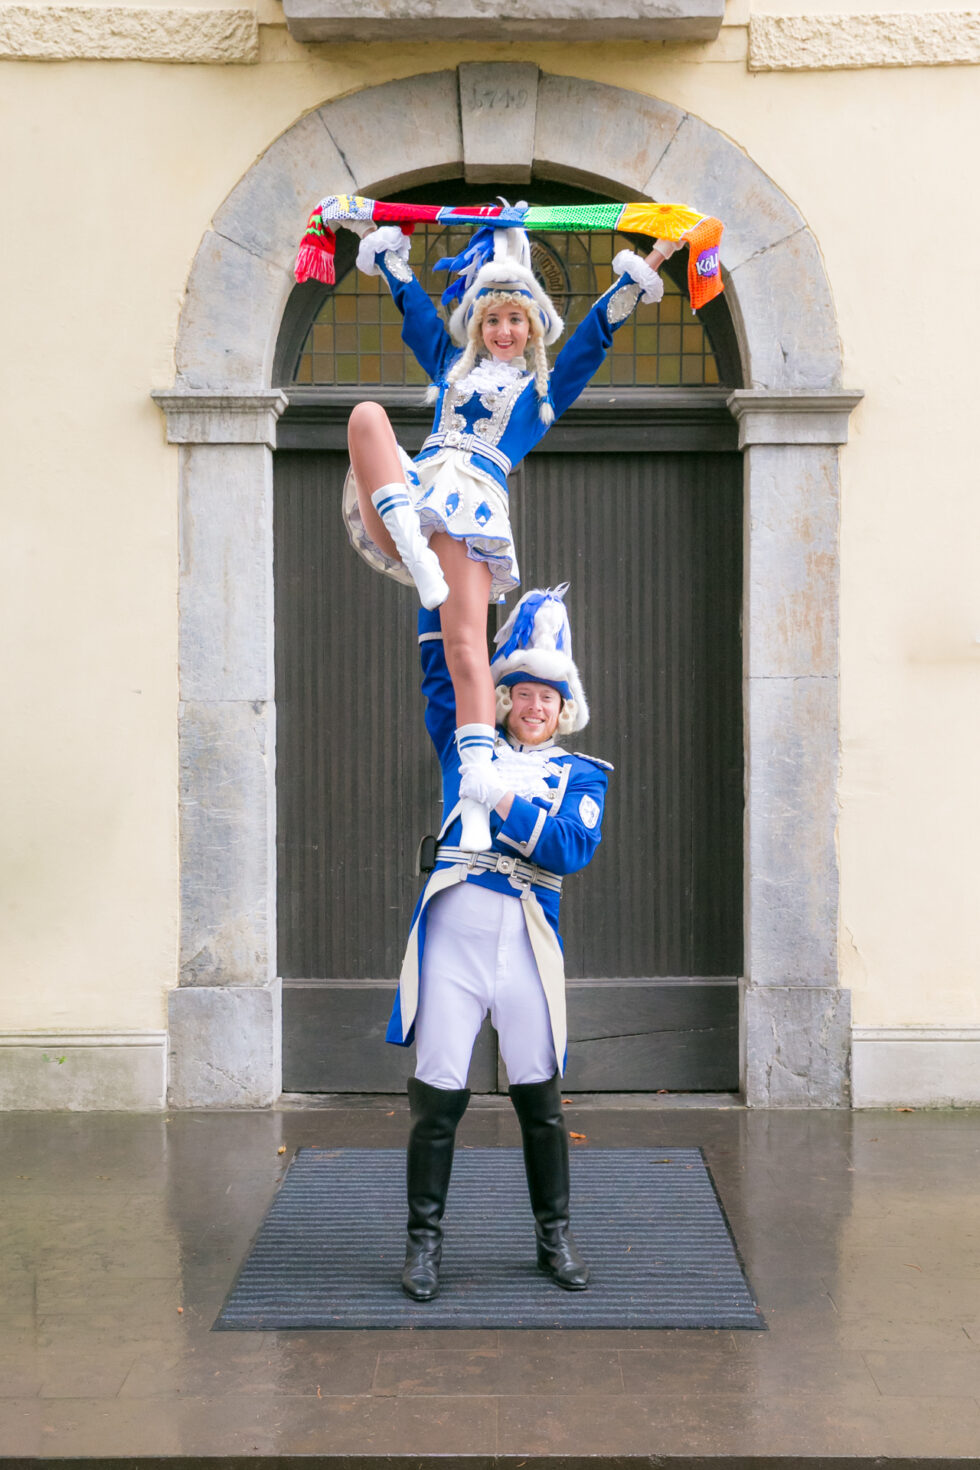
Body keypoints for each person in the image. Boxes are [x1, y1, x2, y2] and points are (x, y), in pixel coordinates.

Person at [344, 215, 670, 850]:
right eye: (491, 319)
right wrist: (383, 250)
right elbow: (413, 312)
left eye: (515, 320)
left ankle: (470, 802)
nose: (502, 331)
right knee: (365, 418)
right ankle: (413, 545)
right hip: (414, 503)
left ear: (532, 330)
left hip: (470, 515)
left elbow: (593, 339)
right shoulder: (449, 369)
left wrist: (649, 263)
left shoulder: (537, 394)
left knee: (463, 653)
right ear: (477, 325)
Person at [387, 584, 612, 1302]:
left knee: (539, 1098)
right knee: (437, 1096)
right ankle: (424, 1245)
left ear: (563, 707)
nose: (535, 706)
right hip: (454, 935)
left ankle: (555, 1236)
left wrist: (501, 798)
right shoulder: (468, 745)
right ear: (507, 696)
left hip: (524, 941)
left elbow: (570, 849)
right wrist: (436, 589)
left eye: (550, 696)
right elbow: (444, 666)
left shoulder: (582, 776)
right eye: (523, 691)